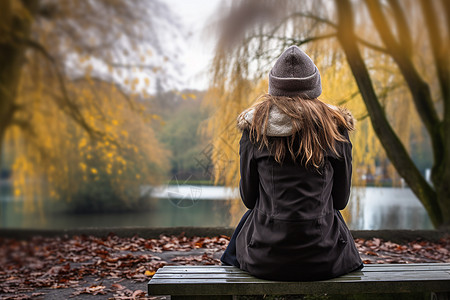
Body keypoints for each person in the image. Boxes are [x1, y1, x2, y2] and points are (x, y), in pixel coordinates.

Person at [220, 45, 363, 281]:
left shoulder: (255, 129)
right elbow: (340, 200)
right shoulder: (336, 129)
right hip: (324, 257)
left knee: (247, 223)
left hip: (265, 258)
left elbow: (248, 198)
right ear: (314, 87)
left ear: (274, 88)